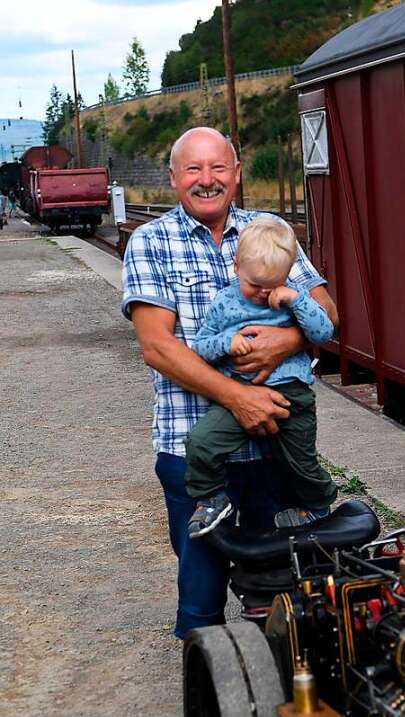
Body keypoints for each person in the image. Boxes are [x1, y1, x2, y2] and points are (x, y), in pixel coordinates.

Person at [122, 126, 338, 640]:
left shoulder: (268, 232)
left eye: (218, 167)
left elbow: (326, 311)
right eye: (193, 169)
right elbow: (159, 347)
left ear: (236, 174)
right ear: (174, 179)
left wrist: (284, 343)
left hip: (274, 447)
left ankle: (285, 691)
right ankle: (214, 707)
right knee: (202, 595)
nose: (206, 180)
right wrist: (239, 398)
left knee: (289, 588)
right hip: (193, 448)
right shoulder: (151, 242)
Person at [185, 217, 337, 537]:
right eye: (254, 285)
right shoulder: (226, 302)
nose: (262, 295)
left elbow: (324, 331)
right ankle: (212, 496)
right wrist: (227, 342)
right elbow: (200, 346)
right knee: (201, 442)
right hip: (239, 391)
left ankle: (319, 503)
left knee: (300, 463)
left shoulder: (293, 296)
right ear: (236, 265)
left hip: (292, 393)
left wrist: (294, 300)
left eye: (272, 286)